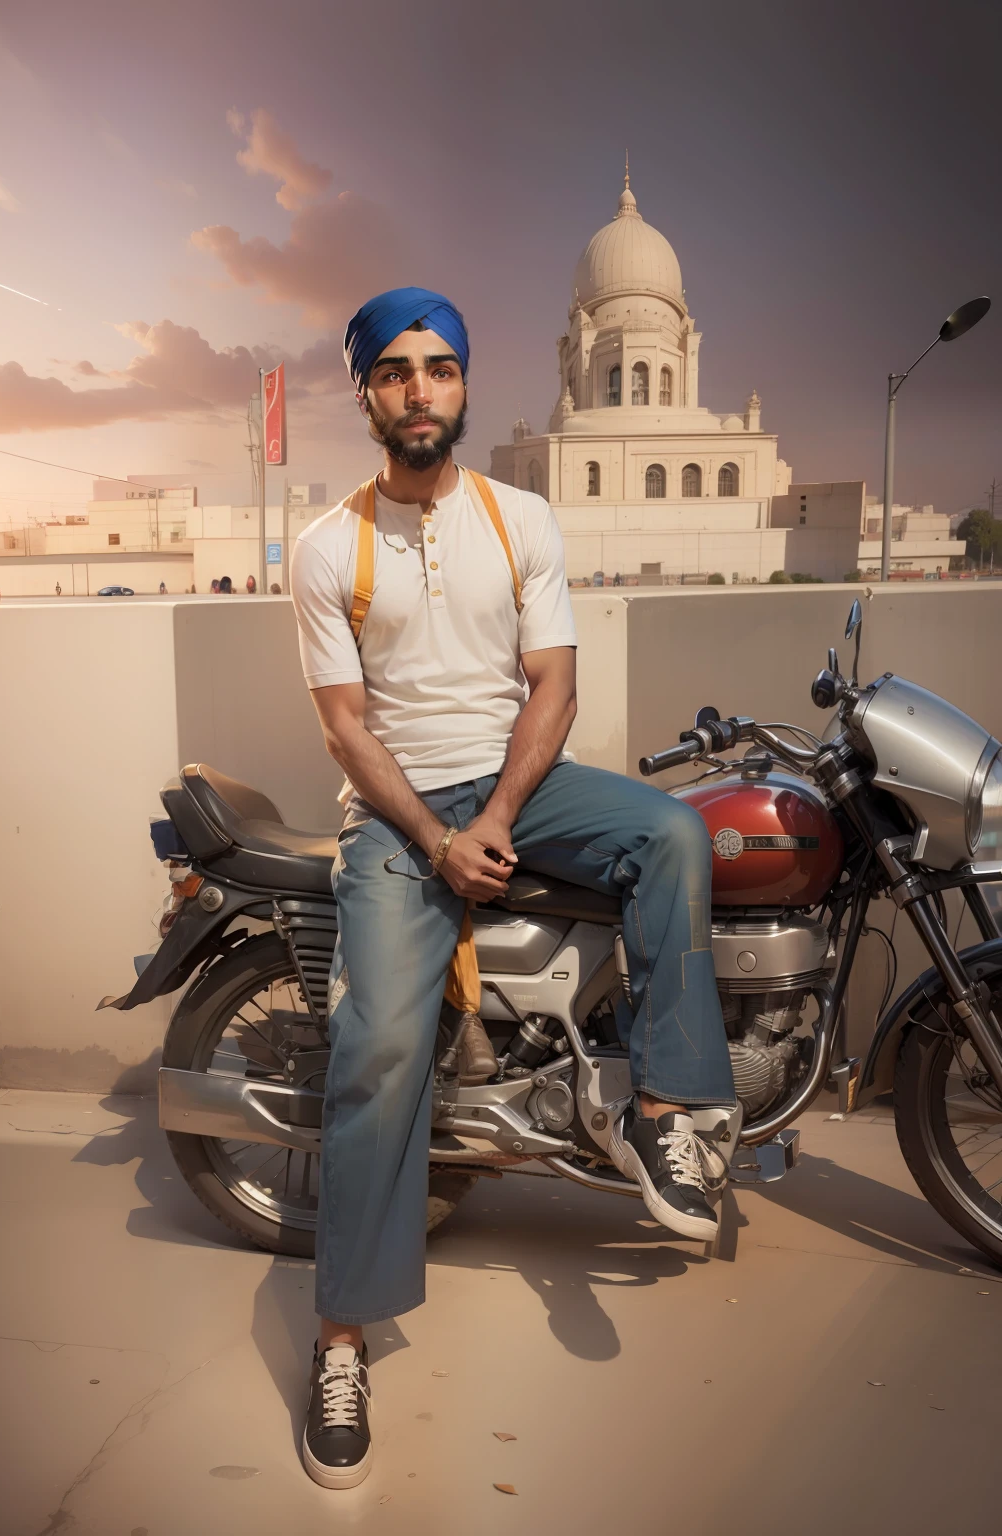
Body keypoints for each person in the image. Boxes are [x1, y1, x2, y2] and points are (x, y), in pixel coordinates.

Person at [290, 286, 735, 1490]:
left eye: (438, 366)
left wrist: (492, 818)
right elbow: (344, 729)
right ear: (368, 393)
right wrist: (438, 840)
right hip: (393, 816)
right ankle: (340, 1337)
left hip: (517, 785)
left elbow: (555, 686)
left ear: (466, 383)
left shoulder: (521, 516)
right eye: (394, 371)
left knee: (676, 838)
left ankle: (663, 1117)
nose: (419, 387)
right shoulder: (327, 546)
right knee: (377, 1048)